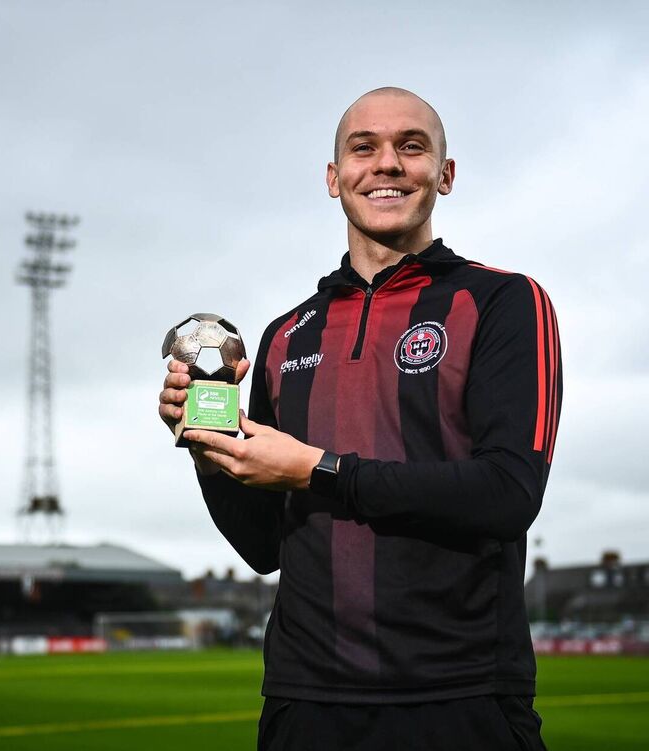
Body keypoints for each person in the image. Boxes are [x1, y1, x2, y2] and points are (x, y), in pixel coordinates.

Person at [158, 87, 561, 750]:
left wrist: (317, 468)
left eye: (411, 146)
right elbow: (263, 546)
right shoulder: (286, 334)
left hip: (460, 693)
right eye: (363, 147)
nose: (387, 164)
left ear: (445, 174)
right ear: (334, 177)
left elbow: (508, 492)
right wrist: (208, 450)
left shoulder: (503, 301)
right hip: (305, 700)